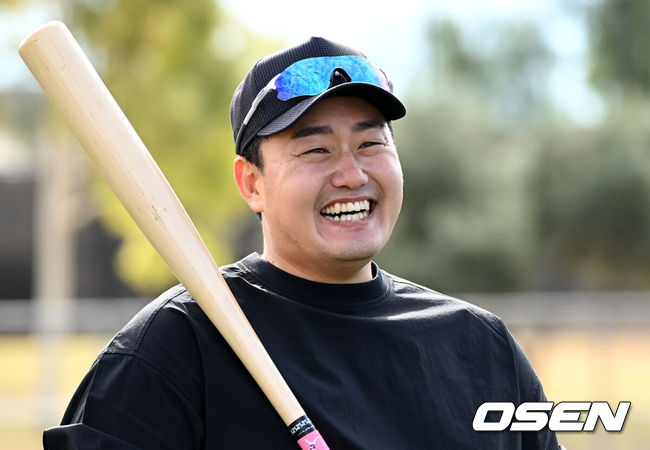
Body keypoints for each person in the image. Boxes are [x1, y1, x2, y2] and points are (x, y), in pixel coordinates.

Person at [43, 37, 561, 449]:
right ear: (252, 183)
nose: (352, 174)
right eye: (316, 150)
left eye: (370, 143)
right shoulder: (177, 347)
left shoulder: (481, 348)